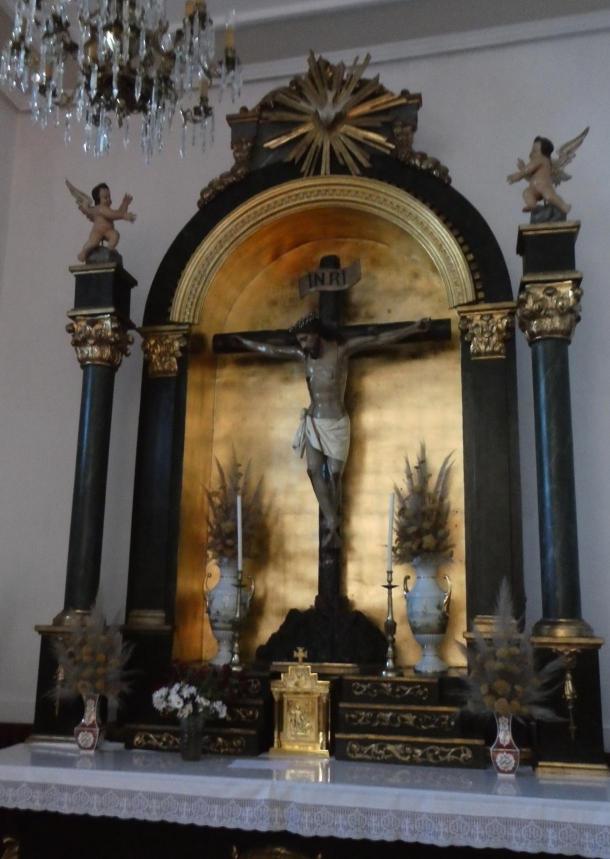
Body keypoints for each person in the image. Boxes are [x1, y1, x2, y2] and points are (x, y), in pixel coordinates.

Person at [233, 312, 429, 545]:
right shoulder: (303, 355)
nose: (303, 345)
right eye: (300, 341)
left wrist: (413, 328)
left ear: (317, 334)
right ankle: (332, 521)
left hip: (336, 423)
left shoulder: (341, 351)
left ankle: (333, 521)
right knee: (313, 471)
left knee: (335, 475)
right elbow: (272, 350)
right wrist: (243, 342)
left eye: (305, 339)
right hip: (314, 421)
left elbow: (377, 339)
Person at [507, 136, 571, 215]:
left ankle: (564, 206)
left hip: (544, 186)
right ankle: (532, 205)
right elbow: (529, 176)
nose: (531, 154)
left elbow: (528, 169)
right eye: (532, 150)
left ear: (543, 153)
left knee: (549, 196)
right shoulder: (538, 161)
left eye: (534, 151)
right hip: (533, 189)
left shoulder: (542, 159)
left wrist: (518, 175)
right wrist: (522, 168)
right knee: (526, 193)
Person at [76, 183, 137, 261]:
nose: (108, 199)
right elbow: (113, 215)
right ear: (98, 200)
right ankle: (83, 253)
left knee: (115, 235)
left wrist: (124, 204)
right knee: (93, 243)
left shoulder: (107, 208)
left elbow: (118, 212)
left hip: (108, 231)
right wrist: (124, 216)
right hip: (97, 232)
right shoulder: (101, 209)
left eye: (109, 197)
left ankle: (110, 249)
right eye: (105, 198)